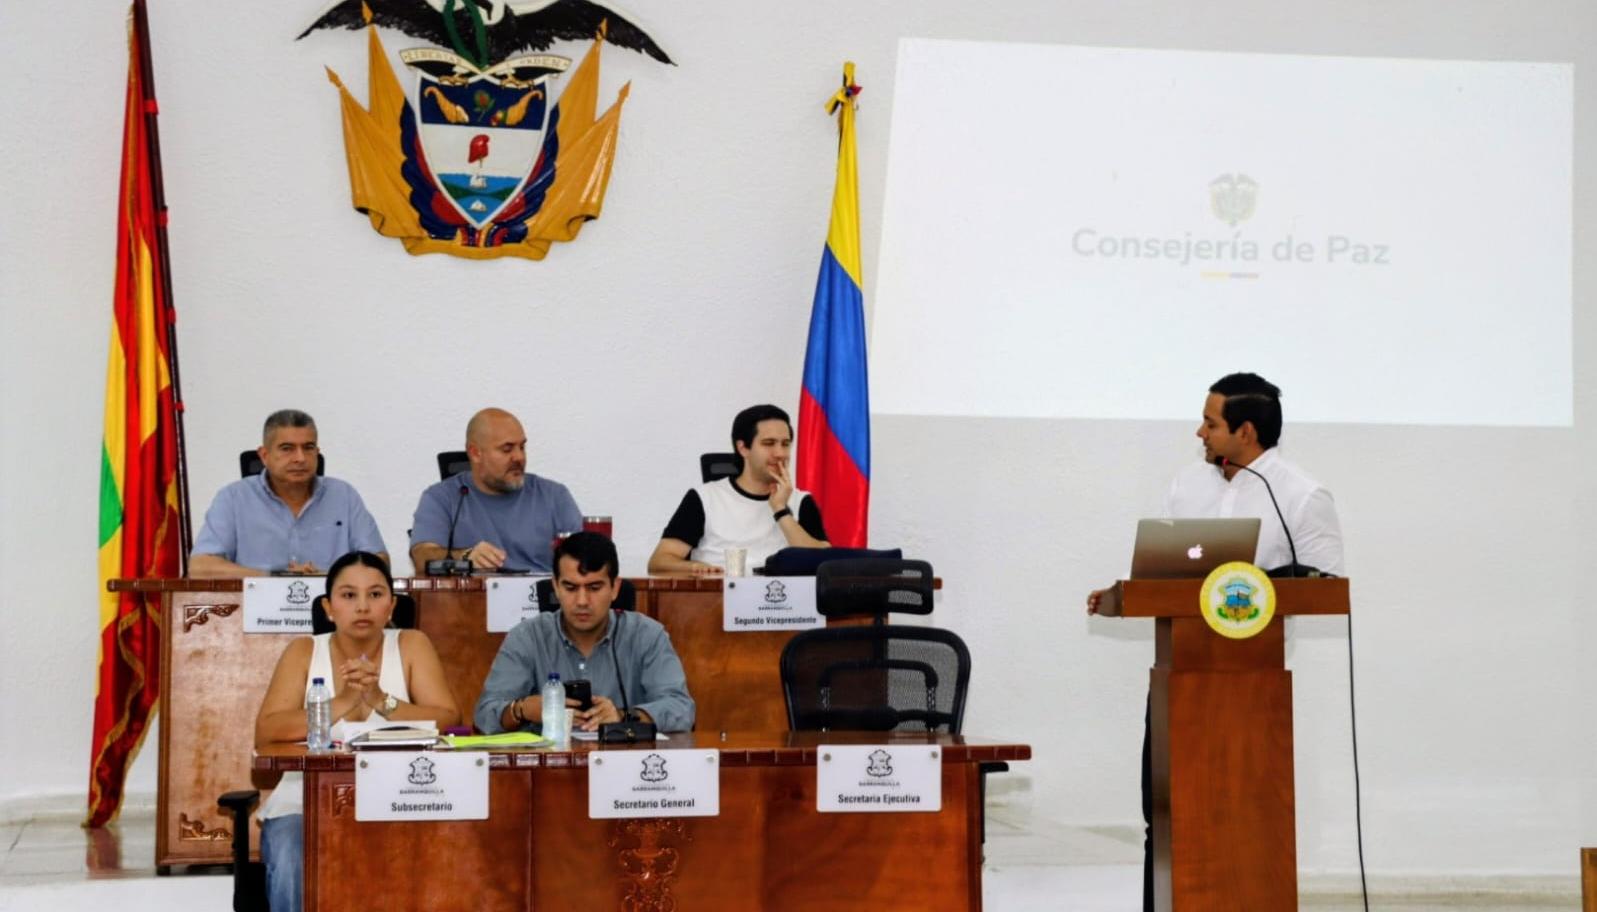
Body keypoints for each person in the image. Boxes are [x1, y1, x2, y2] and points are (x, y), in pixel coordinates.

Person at [1086, 372, 1345, 912]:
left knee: (1246, 814)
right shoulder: (1187, 486)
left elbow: (1326, 586)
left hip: (1253, 691)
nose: (1199, 433)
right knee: (1164, 814)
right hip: (1179, 681)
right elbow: (1165, 574)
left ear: (1245, 431)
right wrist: (1121, 593)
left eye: (1210, 423)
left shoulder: (1302, 494)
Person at [253, 551, 460, 912]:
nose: (363, 606)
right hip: (305, 800)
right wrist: (344, 701)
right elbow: (268, 730)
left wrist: (381, 700)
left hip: (401, 796)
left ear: (391, 606)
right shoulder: (303, 651)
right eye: (349, 596)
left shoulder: (411, 644)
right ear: (328, 607)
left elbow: (447, 717)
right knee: (288, 855)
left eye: (375, 595)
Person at [476, 532, 695, 734]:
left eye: (594, 588)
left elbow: (682, 710)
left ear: (615, 588)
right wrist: (522, 710)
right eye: (570, 588)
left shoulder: (647, 635)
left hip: (621, 767)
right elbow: (484, 715)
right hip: (551, 770)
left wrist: (623, 716)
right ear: (556, 587)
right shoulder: (527, 637)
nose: (582, 601)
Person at [190, 410, 386, 577]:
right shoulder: (233, 498)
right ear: (264, 455)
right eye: (287, 449)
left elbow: (379, 562)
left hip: (329, 612)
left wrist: (329, 578)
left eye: (308, 448)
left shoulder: (343, 496)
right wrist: (276, 578)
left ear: (317, 452)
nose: (300, 458)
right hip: (254, 613)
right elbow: (201, 567)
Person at [646, 404, 829, 575]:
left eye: (785, 444)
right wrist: (695, 568)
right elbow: (659, 563)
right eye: (769, 443)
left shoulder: (801, 501)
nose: (780, 453)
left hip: (784, 606)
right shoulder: (705, 498)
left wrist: (781, 511)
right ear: (743, 448)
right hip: (717, 603)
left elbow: (822, 564)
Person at [409, 407, 582, 574]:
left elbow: (588, 560)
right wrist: (464, 557)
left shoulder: (554, 496)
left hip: (540, 601)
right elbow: (422, 557)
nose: (519, 457)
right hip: (471, 602)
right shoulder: (442, 498)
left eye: (522, 447)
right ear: (475, 453)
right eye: (507, 449)